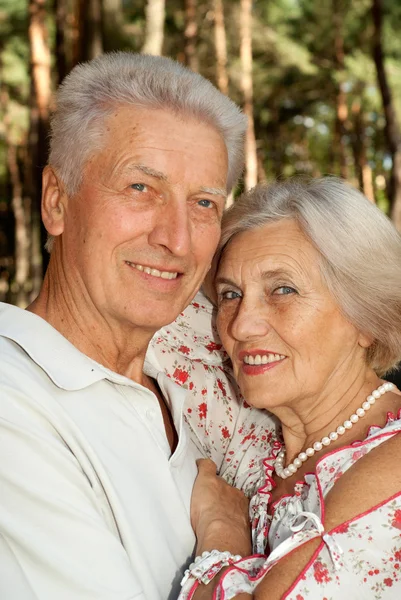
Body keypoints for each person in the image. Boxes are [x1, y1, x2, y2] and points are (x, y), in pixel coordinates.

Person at [0, 51, 250, 600]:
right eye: (141, 189)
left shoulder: (199, 383)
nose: (176, 239)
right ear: (56, 201)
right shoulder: (12, 400)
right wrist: (227, 541)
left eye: (204, 202)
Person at [180, 177, 401, 599]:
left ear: (366, 317)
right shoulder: (262, 446)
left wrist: (223, 531)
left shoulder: (393, 467)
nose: (241, 326)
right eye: (230, 294)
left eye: (283, 290)